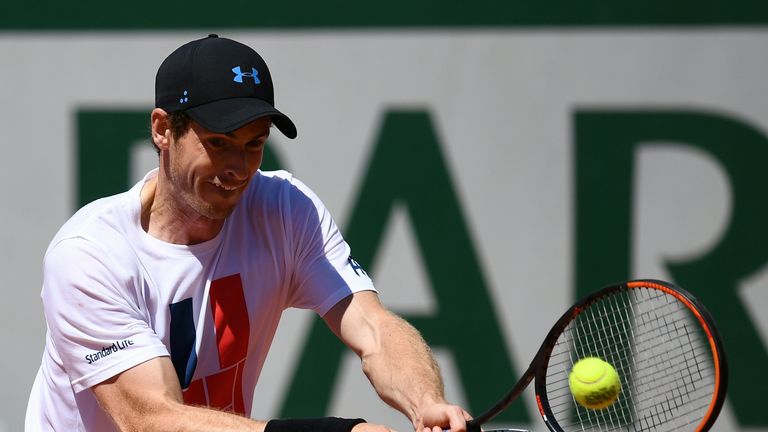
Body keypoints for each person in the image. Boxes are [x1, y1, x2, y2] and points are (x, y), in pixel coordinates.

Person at [24, 34, 471, 432]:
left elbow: (372, 326)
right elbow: (153, 420)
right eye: (218, 143)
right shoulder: (88, 256)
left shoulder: (285, 210)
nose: (238, 168)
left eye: (254, 143)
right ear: (162, 130)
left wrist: (426, 403)